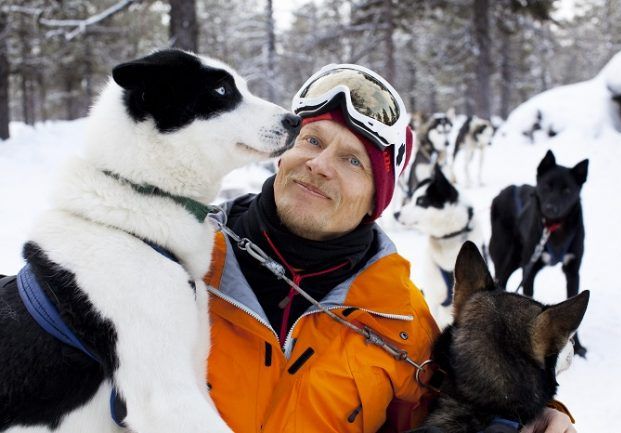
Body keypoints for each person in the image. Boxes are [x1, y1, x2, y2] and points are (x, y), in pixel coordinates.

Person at [202, 64, 576, 433]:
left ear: (374, 201)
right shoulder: (182, 255)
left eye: (352, 160)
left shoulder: (400, 320)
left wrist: (539, 415)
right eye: (312, 140)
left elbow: (469, 404)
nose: (319, 164)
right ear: (283, 152)